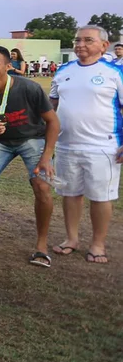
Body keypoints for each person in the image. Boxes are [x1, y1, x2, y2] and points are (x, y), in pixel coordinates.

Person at [0, 46, 59, 266]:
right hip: (0, 142)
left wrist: (46, 157)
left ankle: (41, 246)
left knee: (42, 186)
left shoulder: (29, 88)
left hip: (33, 138)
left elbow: (53, 122)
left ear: (8, 67)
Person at [50, 25, 123, 265]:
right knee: (70, 194)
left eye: (88, 40)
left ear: (104, 45)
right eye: (78, 40)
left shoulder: (115, 73)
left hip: (103, 146)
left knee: (101, 197)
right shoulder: (63, 71)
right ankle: (71, 239)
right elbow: (52, 106)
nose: (80, 44)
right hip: (66, 145)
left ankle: (98, 244)